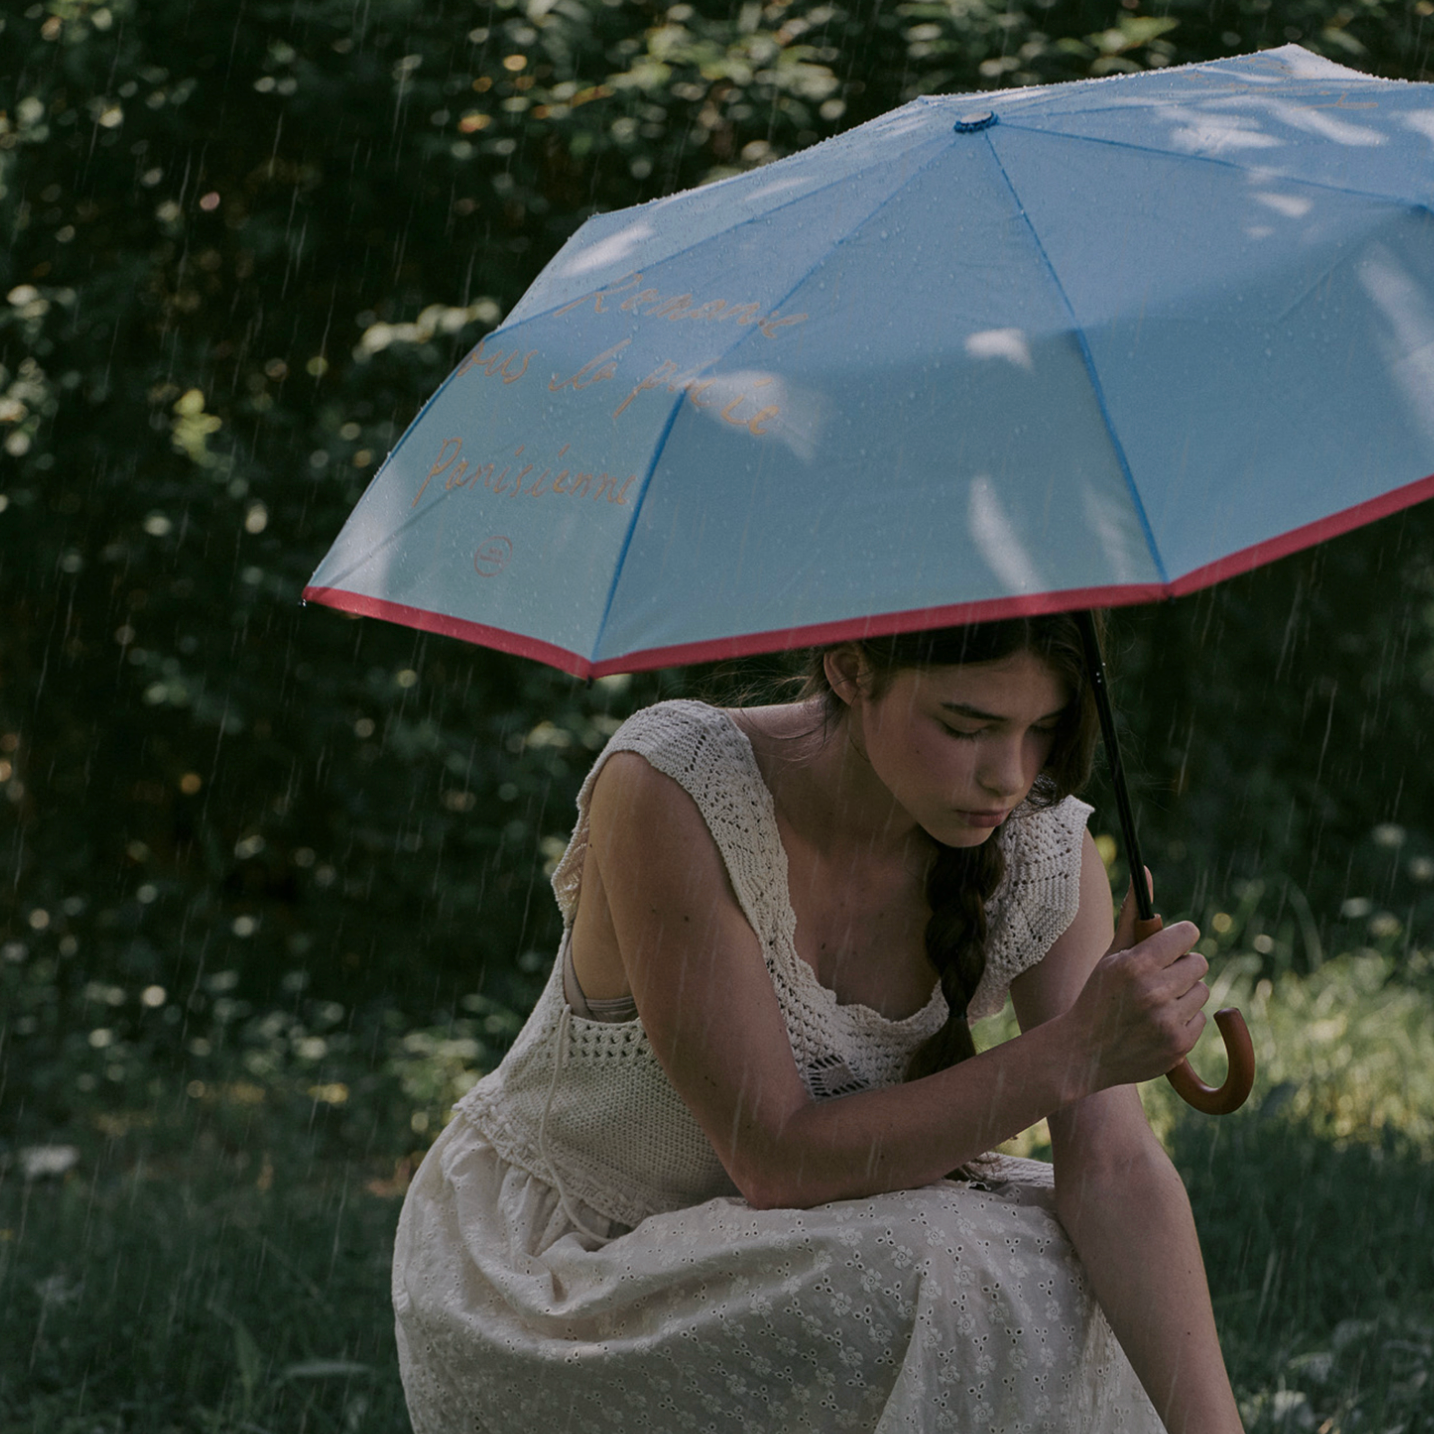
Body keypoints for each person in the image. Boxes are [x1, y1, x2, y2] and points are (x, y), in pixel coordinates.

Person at [392, 616, 1244, 1433]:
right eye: (966, 726)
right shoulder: (676, 784)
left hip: (801, 1255)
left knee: (1058, 1257)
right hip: (562, 1284)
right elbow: (776, 1158)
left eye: (1042, 730)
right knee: (945, 1258)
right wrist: (1074, 1052)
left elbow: (1115, 1169)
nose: (1009, 777)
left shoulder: (1039, 849)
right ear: (850, 669)